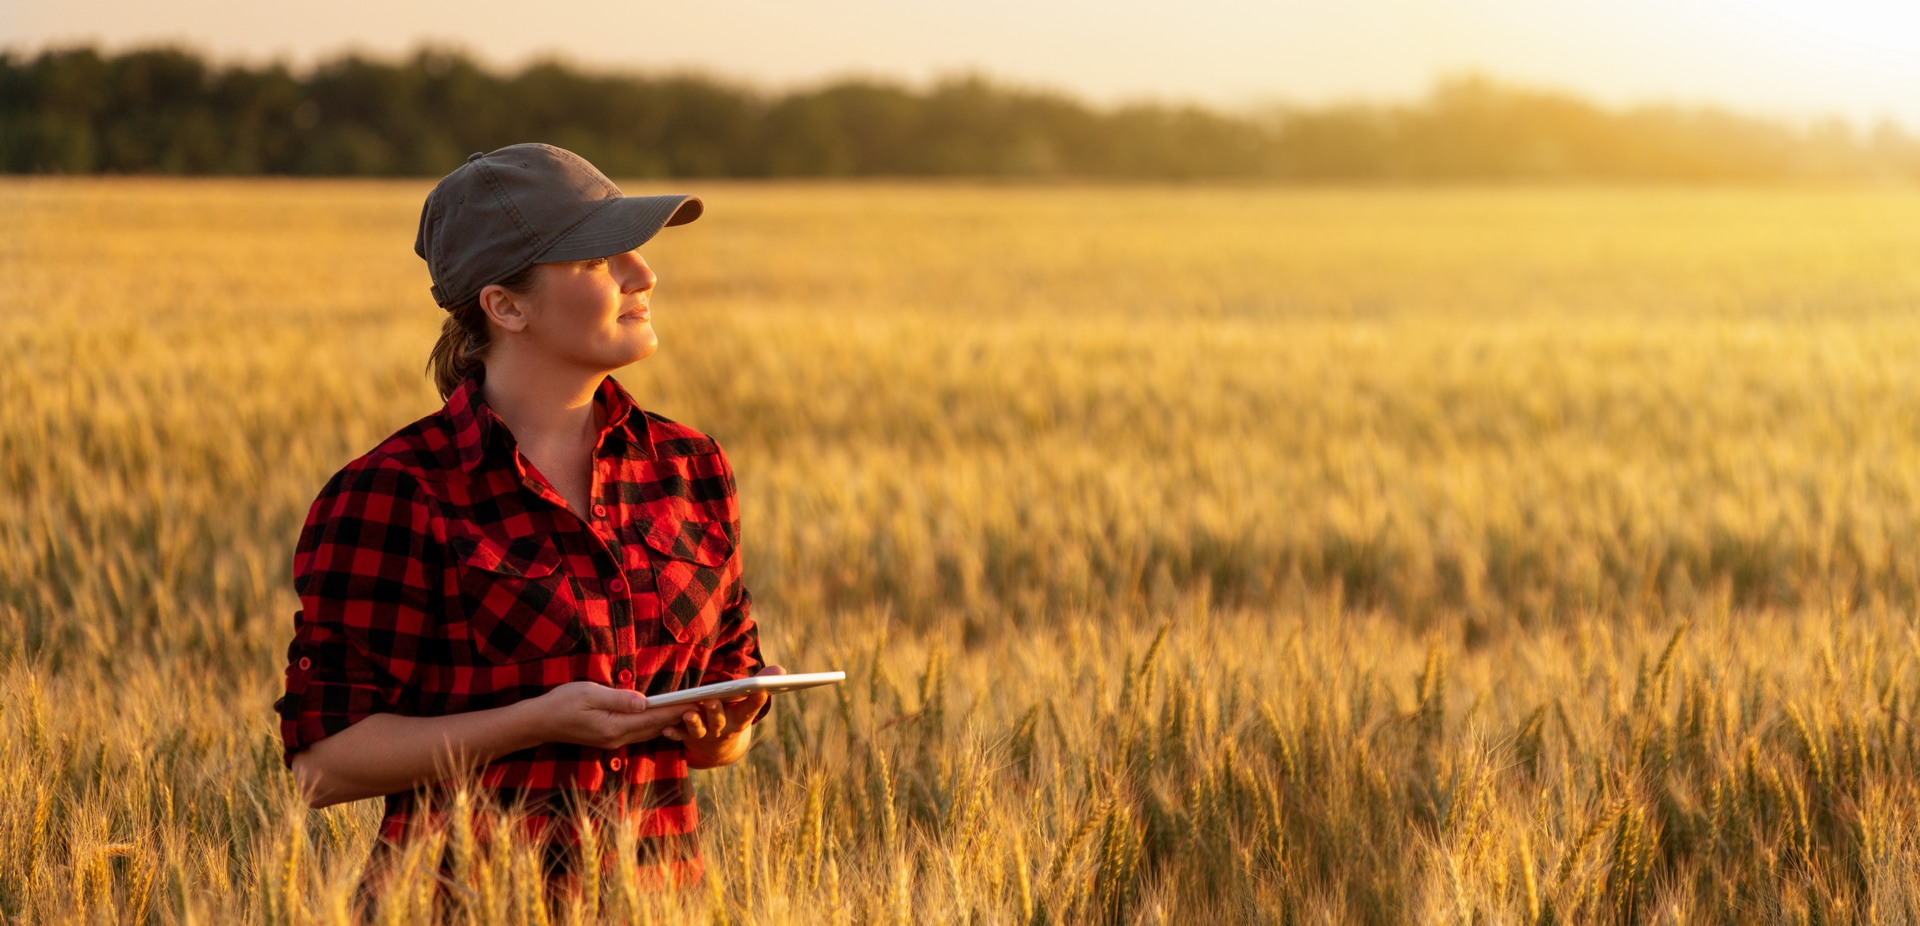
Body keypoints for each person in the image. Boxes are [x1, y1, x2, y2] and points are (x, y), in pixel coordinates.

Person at [270, 142, 783, 913]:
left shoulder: (690, 469)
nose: (642, 275)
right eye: (596, 260)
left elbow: (717, 741)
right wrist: (534, 722)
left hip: (657, 901)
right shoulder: (397, 492)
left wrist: (723, 724)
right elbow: (325, 767)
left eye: (636, 252)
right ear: (505, 306)